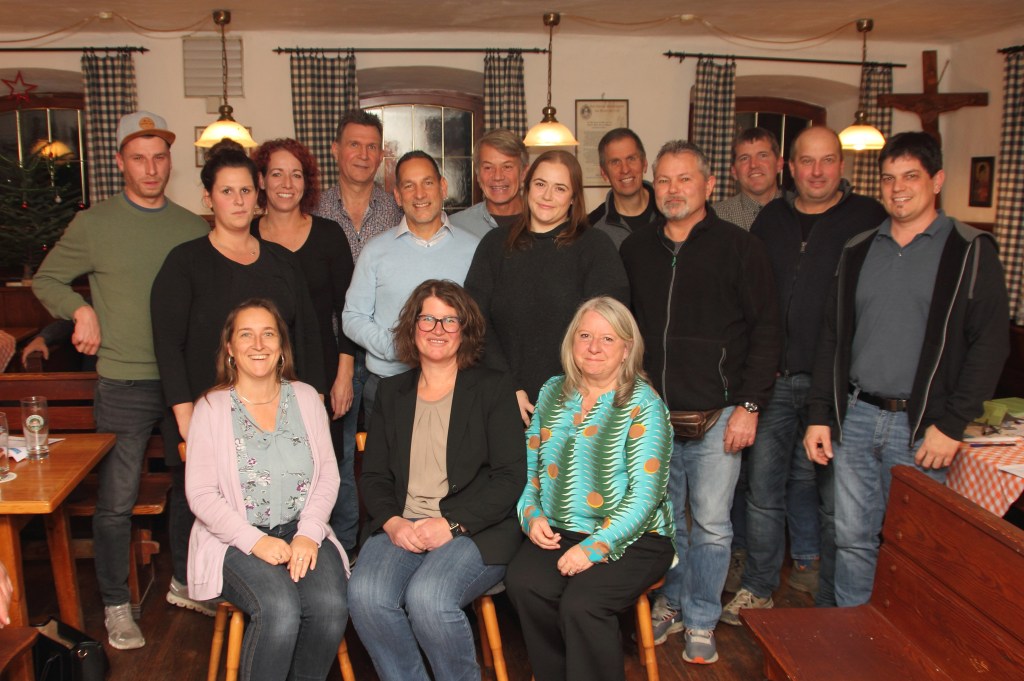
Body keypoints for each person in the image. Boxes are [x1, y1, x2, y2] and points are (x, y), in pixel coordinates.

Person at [804, 132, 1009, 606]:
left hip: (922, 428)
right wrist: (819, 413)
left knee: (914, 548)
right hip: (856, 417)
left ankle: (902, 639)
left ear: (937, 181)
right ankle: (856, 636)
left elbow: (990, 345)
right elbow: (832, 337)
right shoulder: (859, 249)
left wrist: (951, 424)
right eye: (888, 178)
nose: (898, 189)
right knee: (851, 541)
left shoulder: (969, 250)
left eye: (910, 176)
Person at [32, 111, 210, 649]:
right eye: (139, 158)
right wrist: (80, 311)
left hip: (183, 384)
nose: (151, 168)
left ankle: (186, 583)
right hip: (124, 382)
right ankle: (115, 605)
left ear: (170, 162)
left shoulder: (191, 227)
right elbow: (46, 279)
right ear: (119, 163)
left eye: (159, 157)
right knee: (116, 499)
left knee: (194, 490)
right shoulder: (94, 224)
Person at [620, 140, 780, 664]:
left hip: (720, 416)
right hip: (653, 416)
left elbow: (767, 331)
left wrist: (750, 406)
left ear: (709, 185)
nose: (673, 190)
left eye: (684, 179)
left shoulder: (741, 248)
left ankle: (703, 617)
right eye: (664, 180)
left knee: (711, 524)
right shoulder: (635, 250)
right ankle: (670, 602)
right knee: (664, 522)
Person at [720, 126, 888, 621]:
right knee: (763, 494)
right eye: (807, 162)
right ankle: (759, 586)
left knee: (838, 504)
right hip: (774, 379)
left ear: (842, 165)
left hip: (836, 385)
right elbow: (750, 296)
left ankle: (833, 601)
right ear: (790, 168)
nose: (817, 172)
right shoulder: (771, 219)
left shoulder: (868, 219)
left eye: (827, 160)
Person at [348, 279, 524, 681]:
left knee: (428, 598)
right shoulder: (391, 392)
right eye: (427, 319)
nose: (438, 329)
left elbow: (510, 477)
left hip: (475, 528)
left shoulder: (493, 387)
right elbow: (373, 476)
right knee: (365, 595)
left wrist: (452, 524)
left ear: (465, 329)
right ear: (412, 327)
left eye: (449, 320)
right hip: (403, 522)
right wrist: (392, 522)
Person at [505, 296, 675, 681]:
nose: (594, 347)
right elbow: (529, 468)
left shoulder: (644, 405)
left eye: (607, 339)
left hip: (635, 536)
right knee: (524, 583)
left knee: (582, 605)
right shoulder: (552, 391)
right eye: (585, 336)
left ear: (626, 349)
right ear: (572, 342)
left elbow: (645, 498)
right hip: (561, 527)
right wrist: (531, 516)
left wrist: (594, 548)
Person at [186, 298, 348, 681]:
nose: (258, 344)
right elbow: (202, 494)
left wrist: (309, 533)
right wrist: (254, 541)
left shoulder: (307, 398)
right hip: (235, 538)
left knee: (330, 607)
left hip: (301, 529)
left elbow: (328, 474)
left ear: (281, 346)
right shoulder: (211, 408)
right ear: (230, 348)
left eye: (268, 334)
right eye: (246, 335)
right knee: (280, 609)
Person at [465, 150, 630, 426]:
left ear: (574, 197)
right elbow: (475, 321)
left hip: (577, 405)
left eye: (560, 188)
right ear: (527, 187)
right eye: (540, 184)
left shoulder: (596, 247)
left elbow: (610, 330)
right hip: (503, 399)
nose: (547, 195)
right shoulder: (494, 245)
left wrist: (582, 394)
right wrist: (507, 387)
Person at [249, 137, 359, 552]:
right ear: (261, 180)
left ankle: (341, 552)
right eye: (276, 173)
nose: (286, 183)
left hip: (322, 369)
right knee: (270, 463)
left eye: (296, 175)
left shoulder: (329, 235)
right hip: (260, 373)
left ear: (307, 182)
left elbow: (347, 310)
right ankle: (274, 548)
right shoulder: (247, 236)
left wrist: (344, 375)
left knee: (333, 465)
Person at [314, 109, 403, 531]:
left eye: (372, 147)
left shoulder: (398, 209)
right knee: (337, 455)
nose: (364, 155)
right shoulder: (313, 208)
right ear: (336, 149)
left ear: (382, 155)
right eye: (354, 144)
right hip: (330, 355)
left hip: (387, 354)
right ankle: (343, 543)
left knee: (391, 455)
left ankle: (385, 538)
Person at [342, 151, 479, 419]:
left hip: (457, 385)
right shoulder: (375, 251)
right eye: (409, 185)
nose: (419, 194)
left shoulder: (473, 249)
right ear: (397, 195)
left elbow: (481, 319)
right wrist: (395, 346)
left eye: (427, 183)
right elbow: (353, 316)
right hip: (389, 385)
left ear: (442, 187)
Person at [586, 128, 660, 249]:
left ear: (644, 164)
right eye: (615, 162)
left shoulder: (669, 211)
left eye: (631, 159)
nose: (625, 169)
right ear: (604, 173)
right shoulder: (591, 228)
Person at [449, 128, 528, 238]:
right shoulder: (455, 227)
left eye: (507, 167)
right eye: (488, 167)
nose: (497, 176)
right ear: (478, 174)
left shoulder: (545, 221)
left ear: (523, 173)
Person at [713, 127, 784, 231]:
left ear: (779, 164)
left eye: (763, 155)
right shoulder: (715, 218)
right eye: (744, 158)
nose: (753, 165)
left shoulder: (799, 210)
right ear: (734, 171)